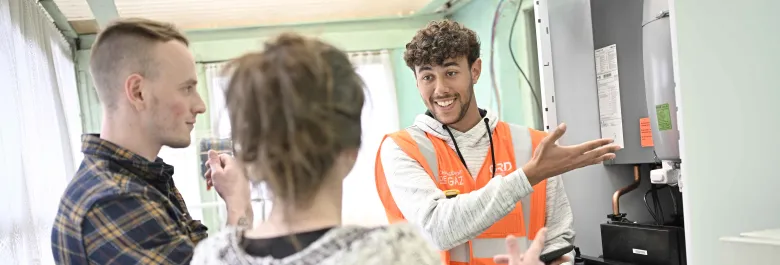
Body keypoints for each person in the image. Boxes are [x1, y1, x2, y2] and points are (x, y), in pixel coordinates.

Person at [375, 20, 621, 265]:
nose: (440, 89)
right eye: (428, 77)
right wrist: (527, 177)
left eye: (451, 73)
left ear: (475, 70)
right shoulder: (402, 149)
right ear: (417, 81)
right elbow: (437, 230)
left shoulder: (534, 146)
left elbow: (558, 242)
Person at [50, 18, 252, 264]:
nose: (200, 106)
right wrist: (238, 203)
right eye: (187, 88)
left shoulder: (144, 180)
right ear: (138, 92)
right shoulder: (114, 201)